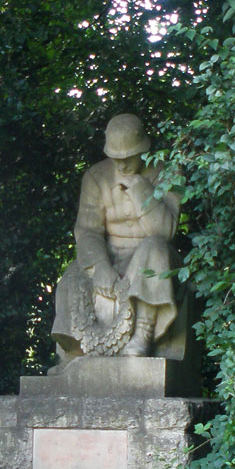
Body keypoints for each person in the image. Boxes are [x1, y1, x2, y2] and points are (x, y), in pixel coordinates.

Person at [52, 114, 184, 360]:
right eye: (116, 158)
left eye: (128, 157)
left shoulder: (167, 172)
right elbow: (87, 231)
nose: (122, 165)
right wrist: (101, 265)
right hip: (109, 255)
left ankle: (143, 333)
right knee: (71, 279)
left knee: (155, 248)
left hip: (153, 256)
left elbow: (165, 232)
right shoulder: (96, 177)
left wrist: (142, 190)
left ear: (143, 149)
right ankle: (74, 352)